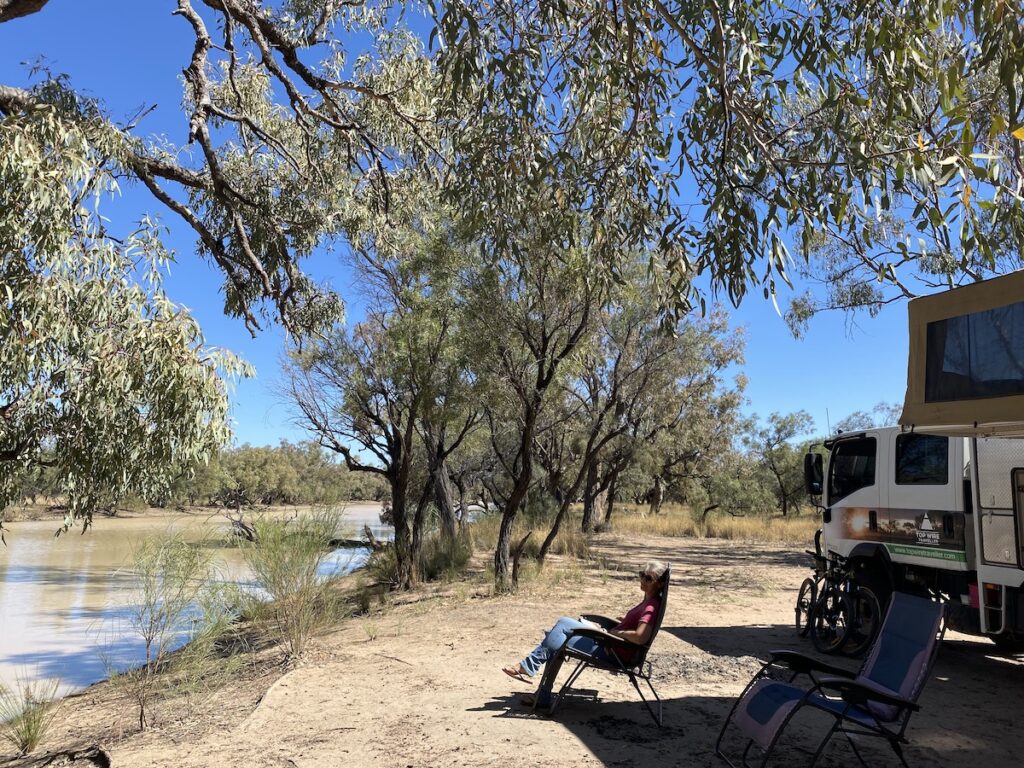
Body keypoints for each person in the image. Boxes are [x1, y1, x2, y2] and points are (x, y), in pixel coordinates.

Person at [501, 559, 669, 712]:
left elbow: (641, 637)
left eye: (649, 579)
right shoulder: (648, 601)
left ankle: (527, 669)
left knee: (562, 627)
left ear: (660, 584)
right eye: (642, 575)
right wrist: (624, 621)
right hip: (611, 645)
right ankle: (538, 687)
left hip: (614, 652)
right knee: (557, 637)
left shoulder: (651, 607)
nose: (643, 581)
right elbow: (638, 628)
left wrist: (616, 632)